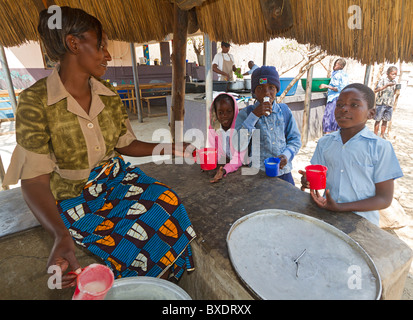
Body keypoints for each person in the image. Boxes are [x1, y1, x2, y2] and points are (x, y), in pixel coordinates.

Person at [3, 7, 196, 288]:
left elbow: (126, 144)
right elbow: (34, 178)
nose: (107, 54)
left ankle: (160, 285)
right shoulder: (36, 102)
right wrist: (60, 234)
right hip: (75, 198)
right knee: (127, 238)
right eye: (101, 45)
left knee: (168, 201)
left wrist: (173, 148)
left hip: (118, 179)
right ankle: (139, 289)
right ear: (73, 44)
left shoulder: (108, 93)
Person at [299, 83, 403, 226]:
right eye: (339, 104)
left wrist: (340, 207)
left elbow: (384, 199)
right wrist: (308, 180)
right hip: (328, 217)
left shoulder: (380, 147)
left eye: (354, 105)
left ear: (371, 113)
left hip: (363, 223)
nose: (344, 109)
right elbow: (319, 179)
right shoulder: (325, 143)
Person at [234, 66, 302, 185]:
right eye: (260, 88)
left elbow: (295, 139)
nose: (266, 93)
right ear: (254, 92)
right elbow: (238, 145)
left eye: (271, 87)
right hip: (257, 174)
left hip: (283, 173)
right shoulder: (245, 114)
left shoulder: (284, 111)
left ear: (277, 90)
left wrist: (286, 155)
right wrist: (254, 116)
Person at [207, 93, 244, 183]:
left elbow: (239, 158)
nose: (225, 115)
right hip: (224, 165)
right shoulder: (213, 128)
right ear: (215, 113)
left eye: (229, 111)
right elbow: (211, 149)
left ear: (234, 111)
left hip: (240, 168)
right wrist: (209, 164)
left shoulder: (240, 129)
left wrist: (224, 170)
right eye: (220, 112)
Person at [319, 58, 349, 134]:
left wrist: (326, 86)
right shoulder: (343, 74)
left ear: (341, 66)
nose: (334, 66)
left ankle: (327, 135)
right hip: (341, 98)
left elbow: (338, 88)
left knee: (329, 116)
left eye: (336, 65)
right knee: (337, 117)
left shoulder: (338, 75)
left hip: (334, 98)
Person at [374, 66, 398, 138]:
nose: (394, 76)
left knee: (385, 121)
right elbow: (376, 90)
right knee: (378, 120)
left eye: (395, 74)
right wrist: (386, 85)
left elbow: (393, 93)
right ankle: (375, 135)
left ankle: (382, 135)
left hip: (389, 104)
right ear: (388, 74)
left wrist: (396, 89)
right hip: (381, 103)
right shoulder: (383, 80)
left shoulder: (394, 82)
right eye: (392, 74)